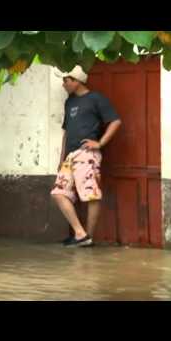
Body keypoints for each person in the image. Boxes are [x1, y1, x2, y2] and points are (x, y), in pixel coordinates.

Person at [51, 65, 122, 247]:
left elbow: (115, 121)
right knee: (58, 193)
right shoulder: (69, 102)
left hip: (87, 154)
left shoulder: (96, 99)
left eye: (66, 81)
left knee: (91, 195)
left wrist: (100, 143)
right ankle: (81, 233)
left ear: (77, 81)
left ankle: (87, 236)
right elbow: (66, 132)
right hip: (69, 155)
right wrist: (61, 158)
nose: (63, 85)